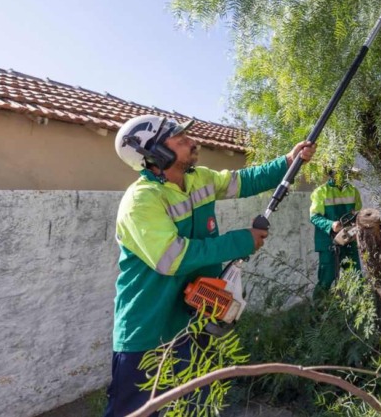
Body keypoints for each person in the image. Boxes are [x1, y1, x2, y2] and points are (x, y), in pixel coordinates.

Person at [105, 114, 315, 416]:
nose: (193, 142)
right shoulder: (141, 201)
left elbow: (244, 181)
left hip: (194, 321)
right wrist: (240, 241)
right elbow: (173, 258)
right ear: (156, 155)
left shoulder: (198, 179)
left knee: (195, 406)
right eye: (180, 140)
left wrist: (288, 161)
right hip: (148, 332)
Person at [309, 168, 363, 296]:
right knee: (326, 281)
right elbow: (314, 217)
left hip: (349, 240)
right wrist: (331, 224)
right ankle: (317, 314)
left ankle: (361, 312)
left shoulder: (353, 191)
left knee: (356, 278)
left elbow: (358, 217)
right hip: (328, 243)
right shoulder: (321, 192)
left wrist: (355, 233)